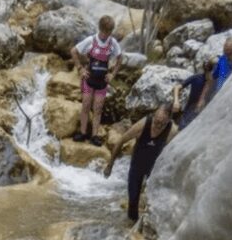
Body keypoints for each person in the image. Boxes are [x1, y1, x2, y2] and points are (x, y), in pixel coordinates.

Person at [104, 104, 178, 223]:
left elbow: (173, 153)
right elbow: (121, 141)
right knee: (133, 198)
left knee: (154, 198)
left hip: (154, 167)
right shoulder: (143, 124)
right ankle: (132, 224)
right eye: (156, 121)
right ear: (153, 116)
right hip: (137, 164)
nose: (157, 126)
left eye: (161, 123)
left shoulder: (172, 130)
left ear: (168, 120)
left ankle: (150, 225)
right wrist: (110, 165)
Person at [70, 15, 122, 146]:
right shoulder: (91, 40)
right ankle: (82, 133)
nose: (105, 35)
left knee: (98, 109)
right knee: (86, 105)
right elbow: (73, 51)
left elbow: (120, 58)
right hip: (89, 79)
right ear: (99, 29)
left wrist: (112, 74)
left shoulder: (113, 43)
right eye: (104, 32)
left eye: (108, 32)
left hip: (102, 82)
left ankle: (94, 136)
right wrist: (80, 69)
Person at [196, 35, 232, 112]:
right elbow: (210, 81)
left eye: (229, 53)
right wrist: (202, 99)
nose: (226, 55)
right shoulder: (223, 59)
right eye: (224, 52)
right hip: (219, 99)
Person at [172, 58, 216, 130]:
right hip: (189, 112)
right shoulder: (197, 78)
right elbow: (177, 87)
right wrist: (176, 101)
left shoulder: (215, 82)